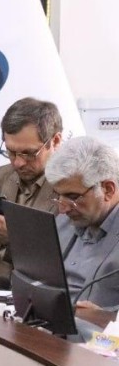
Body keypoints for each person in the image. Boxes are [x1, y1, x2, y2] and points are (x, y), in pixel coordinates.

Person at [0, 97, 63, 285]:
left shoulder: (70, 191)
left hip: (33, 295)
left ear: (55, 141)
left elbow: (63, 267)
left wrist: (13, 238)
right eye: (10, 152)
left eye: (29, 153)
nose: (18, 162)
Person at [43, 136, 119, 332]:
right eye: (58, 195)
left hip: (99, 343)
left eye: (73, 197)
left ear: (108, 189)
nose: (63, 208)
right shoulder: (66, 218)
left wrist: (109, 318)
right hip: (47, 329)